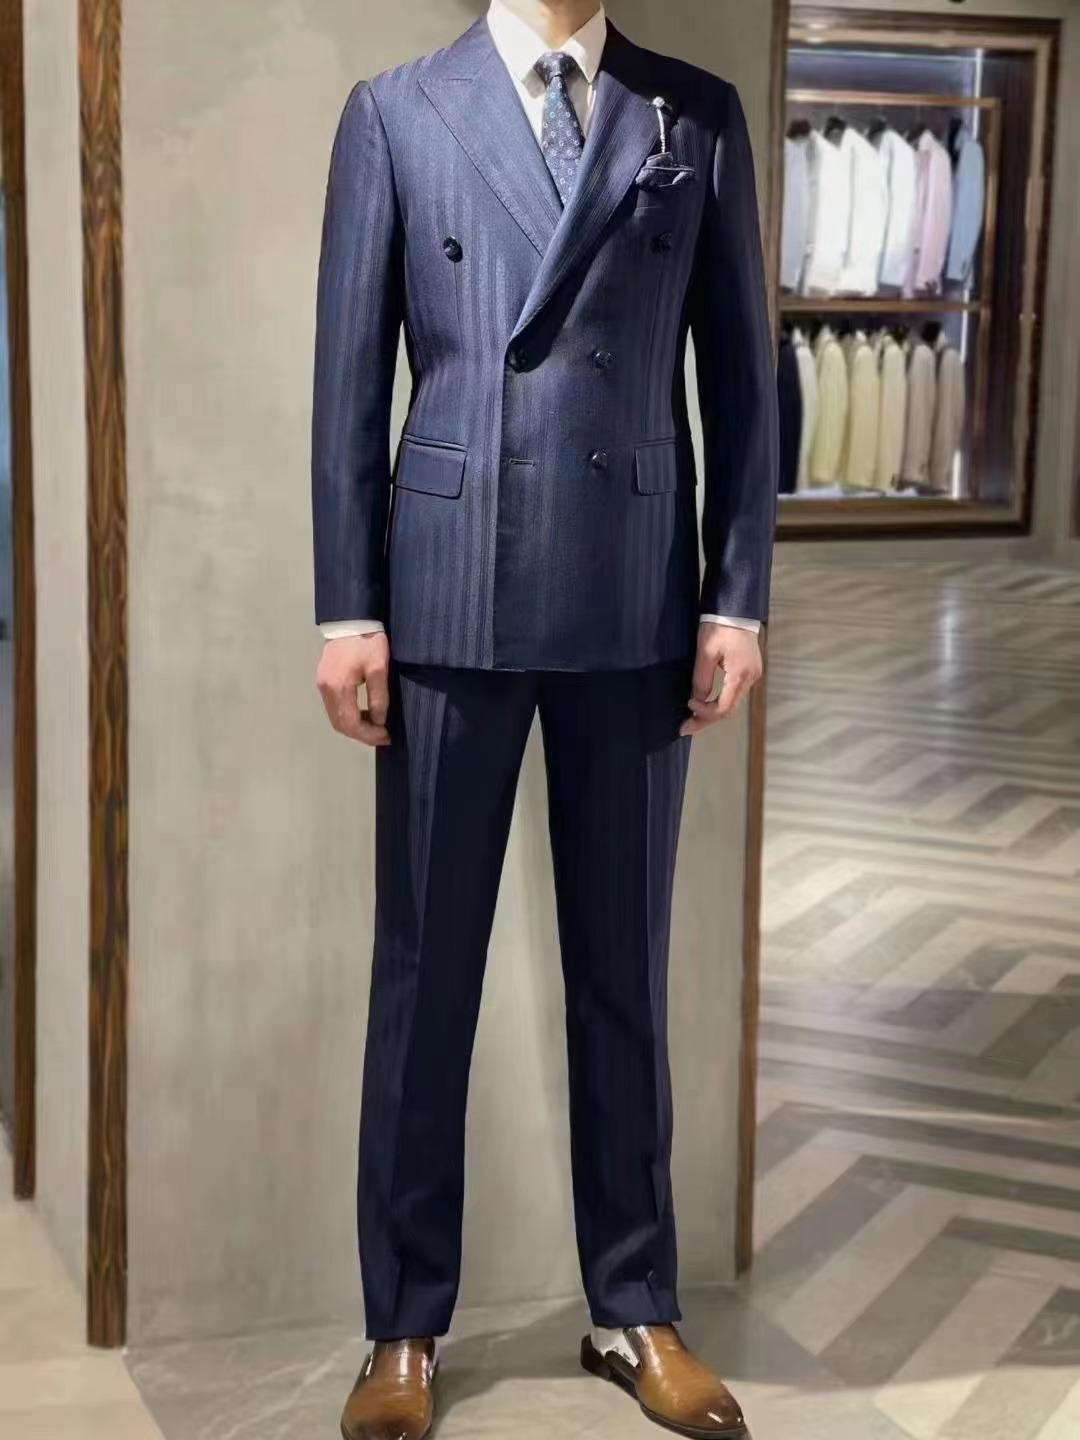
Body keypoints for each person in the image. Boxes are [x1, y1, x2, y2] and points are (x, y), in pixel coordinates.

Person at [311, 2, 777, 1435]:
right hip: (448, 587)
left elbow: (744, 377)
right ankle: (403, 1327)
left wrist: (737, 597)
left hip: (634, 588)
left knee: (625, 972)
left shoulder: (691, 112)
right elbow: (348, 378)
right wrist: (347, 608)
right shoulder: (397, 111)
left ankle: (635, 1307)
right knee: (424, 975)